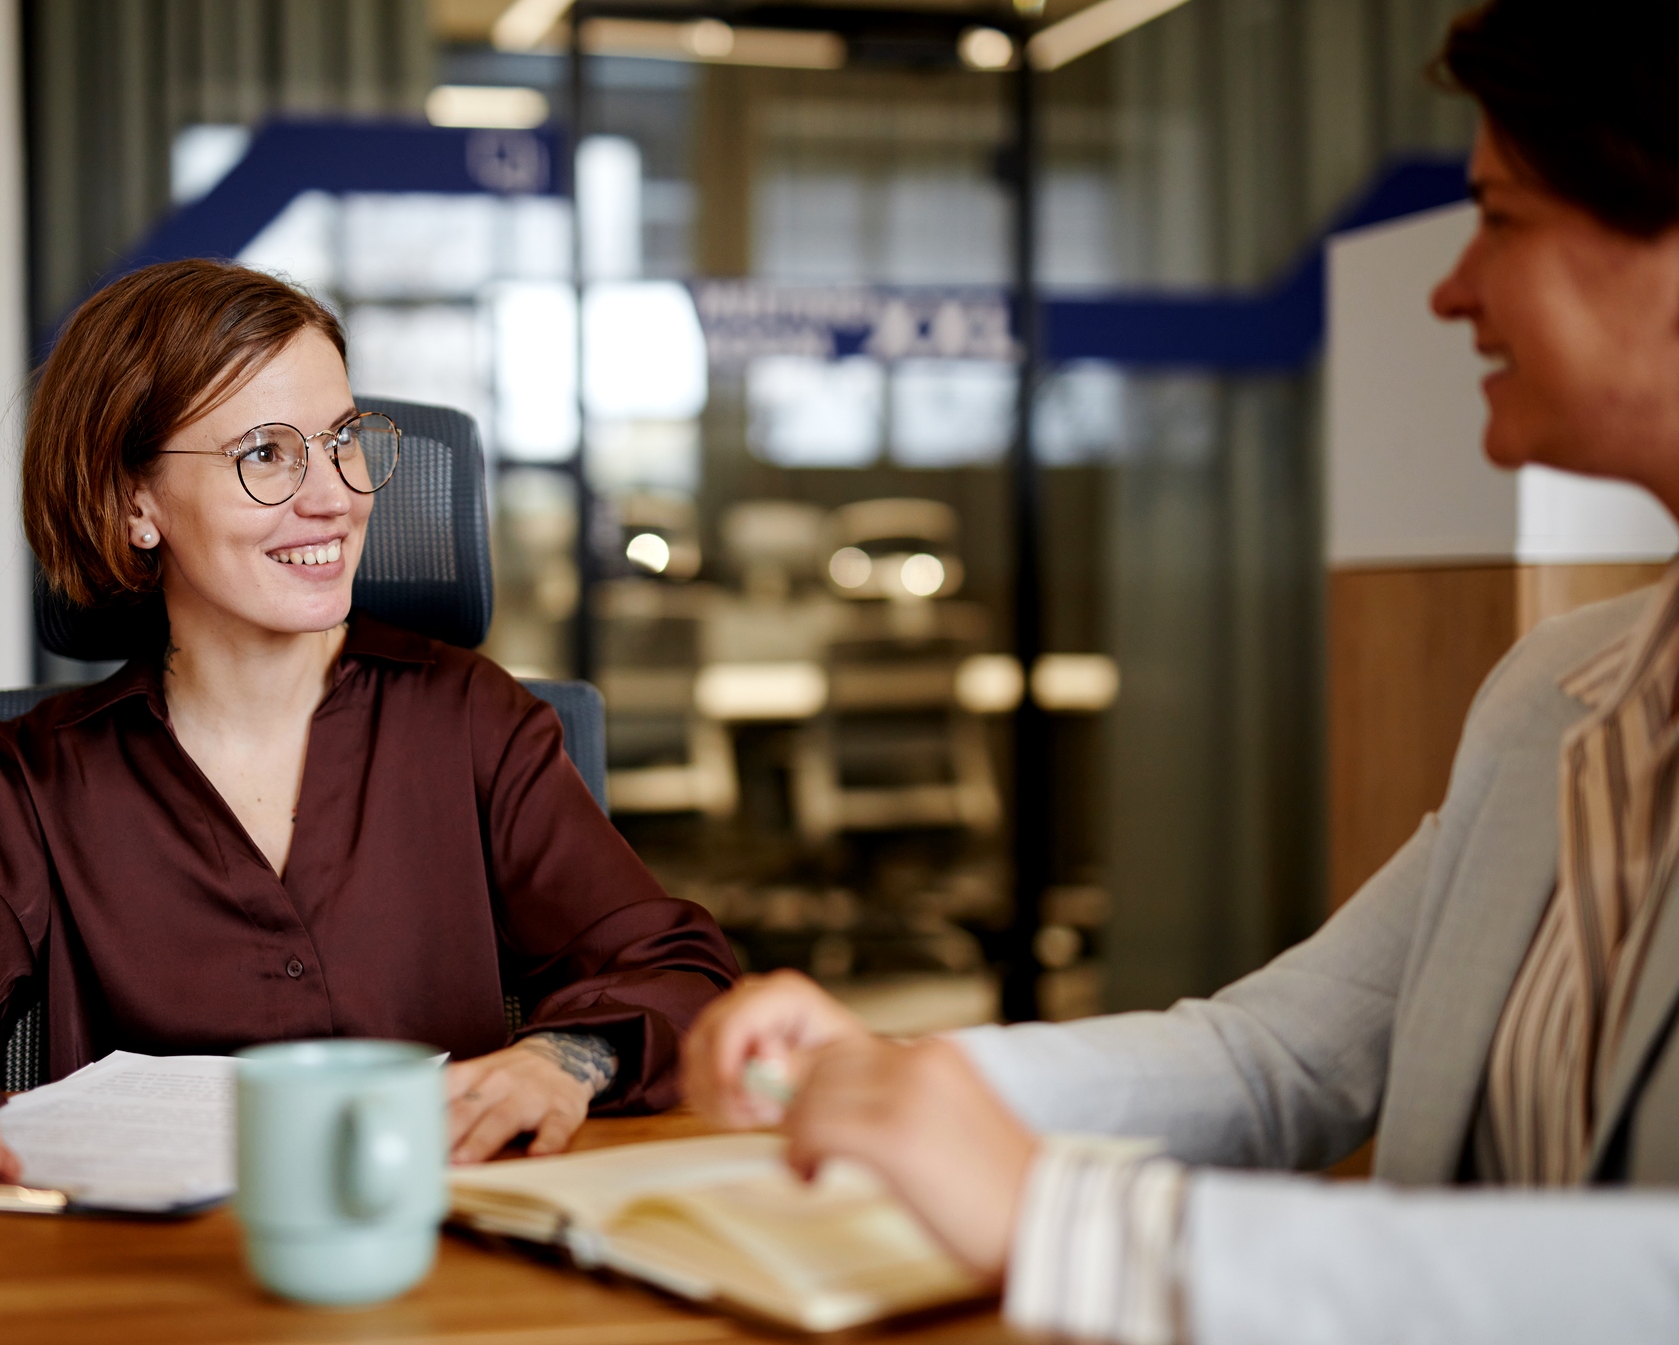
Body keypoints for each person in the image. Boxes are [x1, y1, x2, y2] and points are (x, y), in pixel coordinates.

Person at [686, 2, 1679, 1342]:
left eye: (1500, 218)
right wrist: (895, 1078)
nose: (1451, 288)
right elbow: (1276, 1057)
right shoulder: (1554, 699)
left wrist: (1072, 1225)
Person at [0, 259, 737, 1196]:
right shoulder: (38, 779)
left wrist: (561, 1059)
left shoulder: (471, 718)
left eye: (344, 441)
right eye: (265, 453)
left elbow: (678, 968)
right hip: (151, 1298)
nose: (334, 495)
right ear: (135, 503)